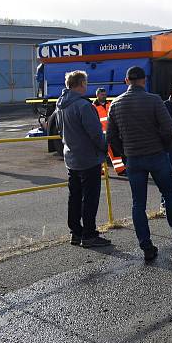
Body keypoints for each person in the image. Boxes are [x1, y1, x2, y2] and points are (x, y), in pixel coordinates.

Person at [107, 66, 172, 261]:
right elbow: (168, 128)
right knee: (169, 194)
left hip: (134, 159)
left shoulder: (116, 104)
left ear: (126, 80)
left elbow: (110, 136)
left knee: (138, 203)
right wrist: (164, 147)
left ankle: (146, 245)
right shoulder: (153, 100)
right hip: (156, 155)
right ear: (144, 80)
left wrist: (125, 152)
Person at [55, 71, 111, 248]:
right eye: (85, 83)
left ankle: (76, 232)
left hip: (71, 158)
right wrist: (104, 147)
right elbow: (95, 133)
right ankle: (89, 234)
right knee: (90, 198)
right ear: (80, 84)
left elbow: (59, 130)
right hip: (88, 158)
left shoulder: (60, 106)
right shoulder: (83, 106)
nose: (87, 86)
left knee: (75, 197)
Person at [92, 87, 126, 175]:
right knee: (100, 154)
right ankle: (101, 171)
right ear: (97, 95)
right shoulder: (93, 107)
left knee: (115, 153)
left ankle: (120, 170)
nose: (104, 96)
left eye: (105, 94)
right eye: (102, 94)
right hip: (100, 135)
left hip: (110, 133)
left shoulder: (110, 104)